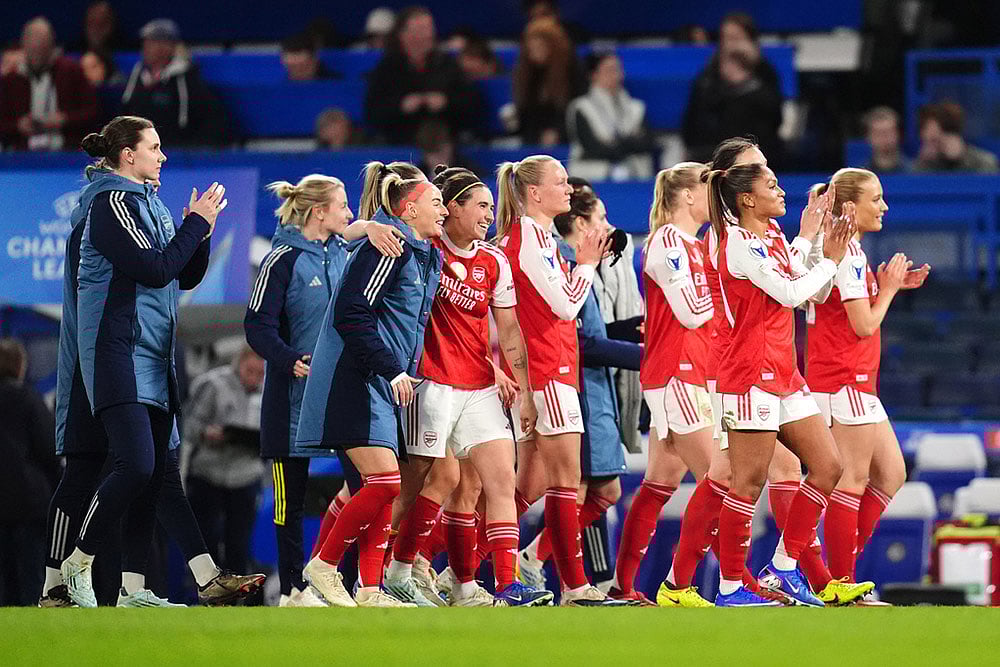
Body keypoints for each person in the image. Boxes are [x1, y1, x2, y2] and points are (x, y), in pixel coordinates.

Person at [56, 115, 227, 608]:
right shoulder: (111, 203)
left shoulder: (147, 205)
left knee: (155, 476)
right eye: (155, 146)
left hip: (152, 355)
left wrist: (204, 230)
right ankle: (76, 564)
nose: (163, 155)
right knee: (135, 466)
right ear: (128, 155)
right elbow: (154, 269)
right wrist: (192, 224)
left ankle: (135, 591)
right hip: (118, 351)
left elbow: (183, 275)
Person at [383, 165, 553, 608]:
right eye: (480, 206)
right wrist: (365, 224)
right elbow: (377, 229)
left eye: (491, 208)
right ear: (451, 208)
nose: (488, 216)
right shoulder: (423, 248)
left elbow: (510, 331)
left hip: (478, 384)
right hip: (432, 383)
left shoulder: (494, 261)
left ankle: (502, 583)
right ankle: (393, 567)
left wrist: (524, 388)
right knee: (423, 481)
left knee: (498, 481)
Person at [244, 172, 403, 607]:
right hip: (290, 401)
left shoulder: (341, 251)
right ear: (319, 212)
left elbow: (354, 231)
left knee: (364, 489)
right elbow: (256, 325)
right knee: (287, 504)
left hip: (338, 398)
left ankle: (356, 584)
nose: (350, 213)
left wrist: (369, 226)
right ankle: (295, 590)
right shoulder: (282, 260)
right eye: (343, 206)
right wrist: (288, 359)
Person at [295, 162, 445, 608]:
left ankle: (369, 589)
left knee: (377, 487)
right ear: (409, 207)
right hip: (357, 376)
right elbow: (351, 313)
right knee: (383, 482)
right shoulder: (387, 247)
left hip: (384, 381)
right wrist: (391, 368)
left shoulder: (419, 252)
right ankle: (322, 565)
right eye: (435, 202)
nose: (441, 211)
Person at [708, 160, 855, 607]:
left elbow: (811, 288)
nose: (781, 190)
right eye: (771, 184)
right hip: (749, 374)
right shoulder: (737, 243)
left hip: (784, 372)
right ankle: (732, 585)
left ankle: (784, 567)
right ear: (747, 198)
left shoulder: (769, 238)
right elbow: (792, 293)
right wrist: (827, 257)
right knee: (748, 482)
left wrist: (812, 240)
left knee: (828, 465)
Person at [494, 156, 622, 606]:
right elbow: (566, 306)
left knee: (526, 487)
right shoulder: (529, 237)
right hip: (549, 371)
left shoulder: (538, 235)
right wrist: (586, 264)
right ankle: (575, 585)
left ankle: (458, 566)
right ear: (534, 193)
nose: (568, 190)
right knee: (566, 481)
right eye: (560, 182)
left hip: (548, 370)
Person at [807, 168, 929, 597]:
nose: (884, 206)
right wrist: (889, 290)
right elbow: (863, 324)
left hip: (853, 378)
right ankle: (839, 581)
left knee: (891, 473)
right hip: (844, 376)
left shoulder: (845, 250)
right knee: (852, 480)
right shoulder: (846, 254)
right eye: (875, 199)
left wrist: (889, 283)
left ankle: (839, 571)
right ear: (849, 206)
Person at [518, 183, 641, 596]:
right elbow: (586, 339)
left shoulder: (574, 262)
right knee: (571, 487)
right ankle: (566, 576)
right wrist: (650, 353)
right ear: (582, 224)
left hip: (586, 385)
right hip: (574, 386)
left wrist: (631, 334)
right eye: (601, 219)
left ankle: (538, 561)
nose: (608, 226)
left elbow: (591, 332)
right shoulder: (566, 262)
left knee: (596, 489)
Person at [608, 162, 719, 607]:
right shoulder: (668, 242)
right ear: (689, 196)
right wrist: (734, 291)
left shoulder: (696, 245)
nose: (716, 196)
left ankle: (622, 586)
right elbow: (692, 311)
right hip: (678, 375)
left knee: (660, 482)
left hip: (693, 371)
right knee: (722, 479)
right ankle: (682, 583)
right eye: (708, 187)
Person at [183, 346, 267, 577]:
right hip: (207, 476)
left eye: (259, 374)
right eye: (250, 371)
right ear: (239, 363)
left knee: (239, 545)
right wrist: (206, 434)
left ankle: (236, 604)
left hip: (246, 477)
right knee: (206, 544)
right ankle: (205, 595)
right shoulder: (213, 385)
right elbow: (188, 426)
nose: (254, 378)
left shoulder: (270, 393)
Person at [364, 6, 481, 144]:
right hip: (400, 141)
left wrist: (446, 101)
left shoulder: (447, 64)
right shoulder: (388, 68)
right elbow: (373, 112)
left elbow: (471, 103)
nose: (428, 35)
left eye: (429, 29)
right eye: (421, 30)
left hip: (445, 141)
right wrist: (401, 106)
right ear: (403, 35)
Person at [0, 339, 60, 606]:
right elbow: (49, 447)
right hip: (28, 500)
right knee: (30, 577)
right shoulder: (29, 399)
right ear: (20, 366)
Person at [682, 13, 783, 166]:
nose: (732, 45)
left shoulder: (764, 72)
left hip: (759, 147)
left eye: (737, 38)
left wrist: (746, 81)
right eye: (727, 38)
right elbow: (694, 122)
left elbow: (775, 117)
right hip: (715, 148)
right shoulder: (710, 73)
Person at [121, 19, 231, 147]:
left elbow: (212, 119)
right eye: (146, 42)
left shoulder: (188, 81)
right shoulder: (136, 76)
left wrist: (193, 149)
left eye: (153, 42)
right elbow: (125, 109)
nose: (146, 47)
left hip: (177, 150)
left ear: (169, 46)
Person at [0, 16, 98, 151]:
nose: (37, 54)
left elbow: (92, 112)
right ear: (24, 46)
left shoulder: (72, 71)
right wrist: (18, 126)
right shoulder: (11, 80)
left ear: (51, 46)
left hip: (66, 151)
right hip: (22, 154)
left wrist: (65, 119)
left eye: (42, 48)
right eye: (33, 48)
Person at [566, 52, 654, 181]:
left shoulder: (636, 107)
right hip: (594, 173)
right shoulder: (581, 107)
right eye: (609, 70)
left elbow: (647, 143)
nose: (616, 75)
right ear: (593, 75)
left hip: (635, 171)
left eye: (618, 69)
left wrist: (615, 145)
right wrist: (629, 142)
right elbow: (592, 148)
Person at [511, 18, 585, 145]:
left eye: (540, 47)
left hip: (568, 137)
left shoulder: (572, 71)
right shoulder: (526, 74)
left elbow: (577, 109)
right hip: (533, 137)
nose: (534, 53)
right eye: (531, 49)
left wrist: (559, 132)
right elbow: (527, 112)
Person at [914, 101, 999, 173]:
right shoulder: (924, 164)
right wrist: (924, 163)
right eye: (926, 142)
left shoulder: (985, 162)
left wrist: (960, 159)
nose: (929, 147)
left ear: (954, 138)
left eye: (934, 141)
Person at [863, 106, 911, 174]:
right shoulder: (860, 178)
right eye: (878, 133)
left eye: (888, 132)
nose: (884, 138)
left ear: (898, 134)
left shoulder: (915, 172)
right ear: (868, 137)